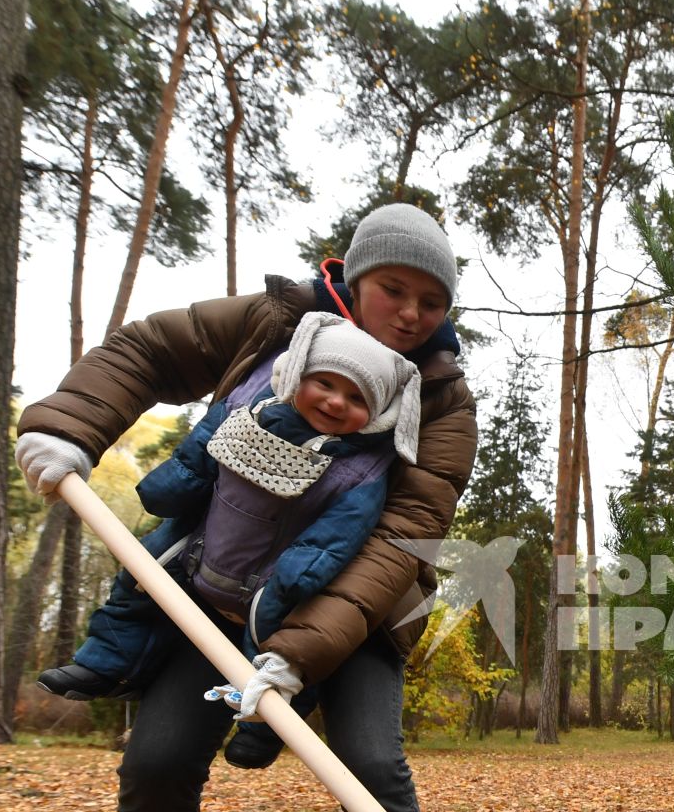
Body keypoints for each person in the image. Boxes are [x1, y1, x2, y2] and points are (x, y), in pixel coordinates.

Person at [13, 203, 476, 812]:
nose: (409, 313)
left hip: (355, 613)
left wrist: (298, 653)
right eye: (393, 289)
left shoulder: (440, 402)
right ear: (351, 277)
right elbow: (148, 350)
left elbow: (405, 540)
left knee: (371, 763)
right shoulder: (269, 328)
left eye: (430, 301)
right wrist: (68, 425)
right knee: (155, 760)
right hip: (219, 598)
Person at [36, 312, 421, 772]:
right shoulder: (251, 411)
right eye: (325, 383)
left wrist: (302, 573)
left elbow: (343, 530)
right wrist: (172, 484)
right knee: (141, 577)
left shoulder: (360, 470)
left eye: (357, 398)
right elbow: (201, 449)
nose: (337, 402)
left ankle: (264, 729)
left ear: (376, 415)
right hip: (203, 548)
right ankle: (104, 661)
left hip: (270, 581)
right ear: (298, 374)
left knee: (278, 652)